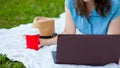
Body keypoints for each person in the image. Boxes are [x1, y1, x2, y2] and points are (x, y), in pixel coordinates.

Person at [38, 0, 120, 64]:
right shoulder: (70, 3)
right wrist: (46, 42)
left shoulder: (115, 5)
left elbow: (111, 42)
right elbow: (68, 32)